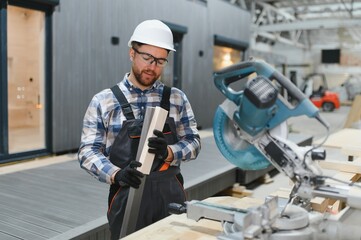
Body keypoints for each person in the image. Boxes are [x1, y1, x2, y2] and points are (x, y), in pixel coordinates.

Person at [78, 19, 201, 239]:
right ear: (132, 53)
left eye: (160, 61)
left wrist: (170, 152)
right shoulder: (104, 101)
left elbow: (194, 142)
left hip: (170, 195)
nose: (152, 67)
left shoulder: (176, 98)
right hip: (127, 196)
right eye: (147, 58)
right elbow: (87, 152)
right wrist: (116, 174)